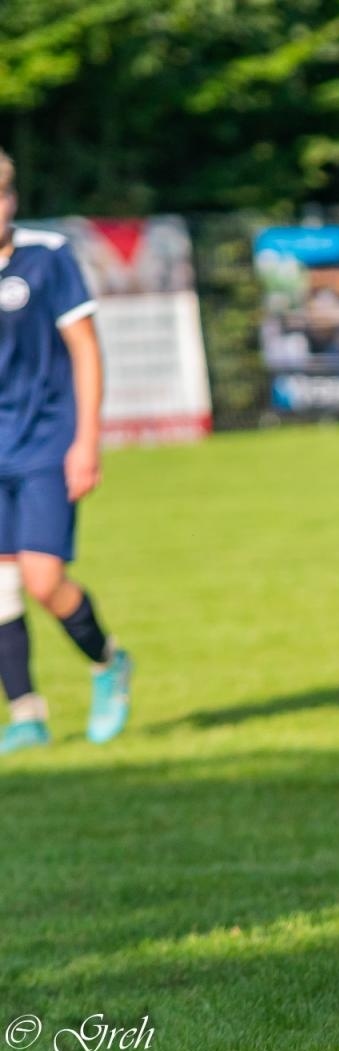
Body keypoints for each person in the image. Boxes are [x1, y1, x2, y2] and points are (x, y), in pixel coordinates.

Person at [0, 147, 134, 755]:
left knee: (43, 578)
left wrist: (86, 441)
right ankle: (26, 714)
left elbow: (84, 349)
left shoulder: (47, 256)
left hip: (45, 440)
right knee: (0, 588)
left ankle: (108, 662)